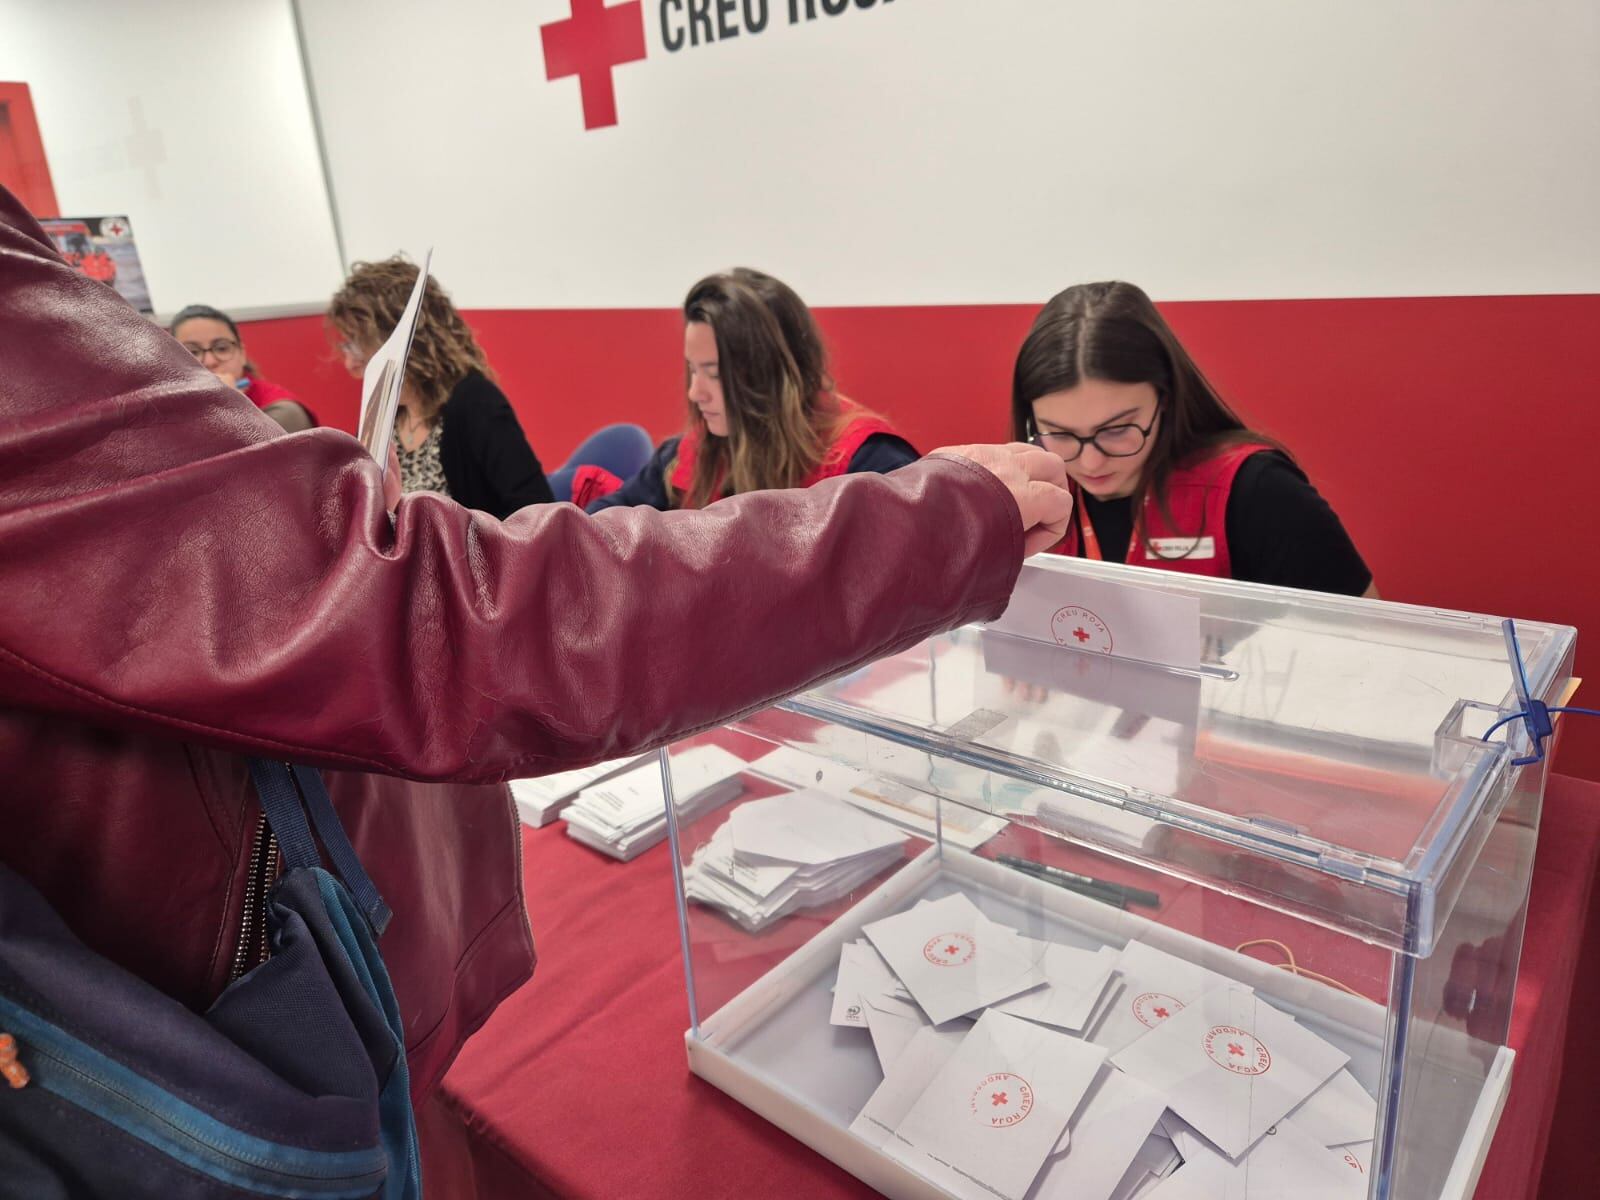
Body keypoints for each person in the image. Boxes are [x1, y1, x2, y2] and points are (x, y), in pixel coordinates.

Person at [0, 186, 1070, 1186]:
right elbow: (464, 605)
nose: (694, 394)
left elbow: (467, 601)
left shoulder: (851, 449)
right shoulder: (687, 452)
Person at [1012, 281, 1375, 596]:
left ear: (1165, 397)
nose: (1090, 463)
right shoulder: (1024, 492)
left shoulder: (1259, 492)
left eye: (1118, 430)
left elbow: (1369, 642)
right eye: (1059, 433)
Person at [585, 268, 917, 512]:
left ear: (771, 374)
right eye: (693, 369)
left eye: (714, 373)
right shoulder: (690, 455)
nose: (695, 393)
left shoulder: (870, 463)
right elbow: (604, 526)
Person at [329, 257, 554, 519]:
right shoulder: (385, 414)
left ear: (402, 340)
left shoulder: (475, 402)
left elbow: (537, 515)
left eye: (358, 344)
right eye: (347, 345)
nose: (350, 363)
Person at [170, 303, 317, 433]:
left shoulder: (284, 411)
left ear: (242, 354)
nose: (209, 361)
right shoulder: (165, 411)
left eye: (221, 348)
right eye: (192, 352)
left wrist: (225, 404)